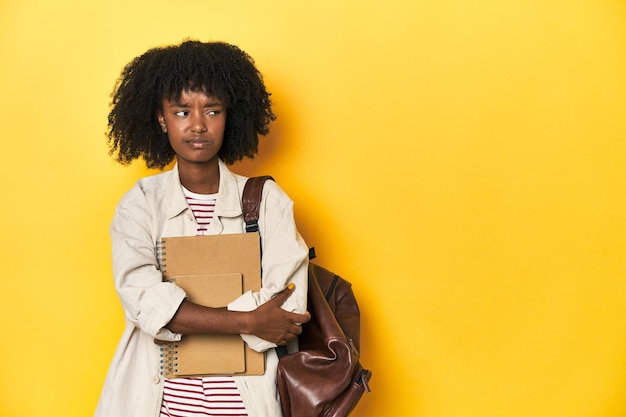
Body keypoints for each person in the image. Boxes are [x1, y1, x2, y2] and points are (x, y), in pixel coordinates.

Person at [95, 40, 310, 417]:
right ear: (162, 119)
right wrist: (248, 320)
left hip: (247, 404)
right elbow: (144, 301)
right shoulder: (141, 204)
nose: (198, 124)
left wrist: (181, 311)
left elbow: (288, 309)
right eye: (181, 111)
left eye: (212, 110)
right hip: (159, 404)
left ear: (230, 116)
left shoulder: (267, 201)